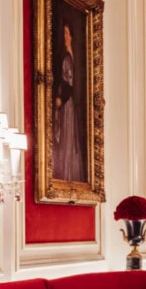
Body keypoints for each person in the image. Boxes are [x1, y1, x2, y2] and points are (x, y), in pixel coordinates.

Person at [52, 19, 84, 181]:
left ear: (71, 36)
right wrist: (60, 98)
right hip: (65, 101)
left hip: (69, 102)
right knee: (64, 136)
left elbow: (72, 83)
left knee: (69, 136)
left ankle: (69, 174)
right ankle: (64, 174)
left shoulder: (73, 56)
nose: (64, 36)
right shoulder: (63, 56)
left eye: (66, 33)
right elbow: (63, 81)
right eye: (63, 33)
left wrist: (64, 97)